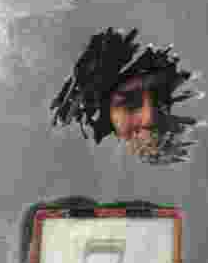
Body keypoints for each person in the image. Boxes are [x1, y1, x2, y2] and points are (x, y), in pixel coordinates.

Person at [50, 28, 200, 165]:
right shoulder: (145, 118)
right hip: (121, 82)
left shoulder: (128, 125)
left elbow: (122, 98)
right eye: (149, 145)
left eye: (144, 148)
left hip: (111, 87)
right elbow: (130, 92)